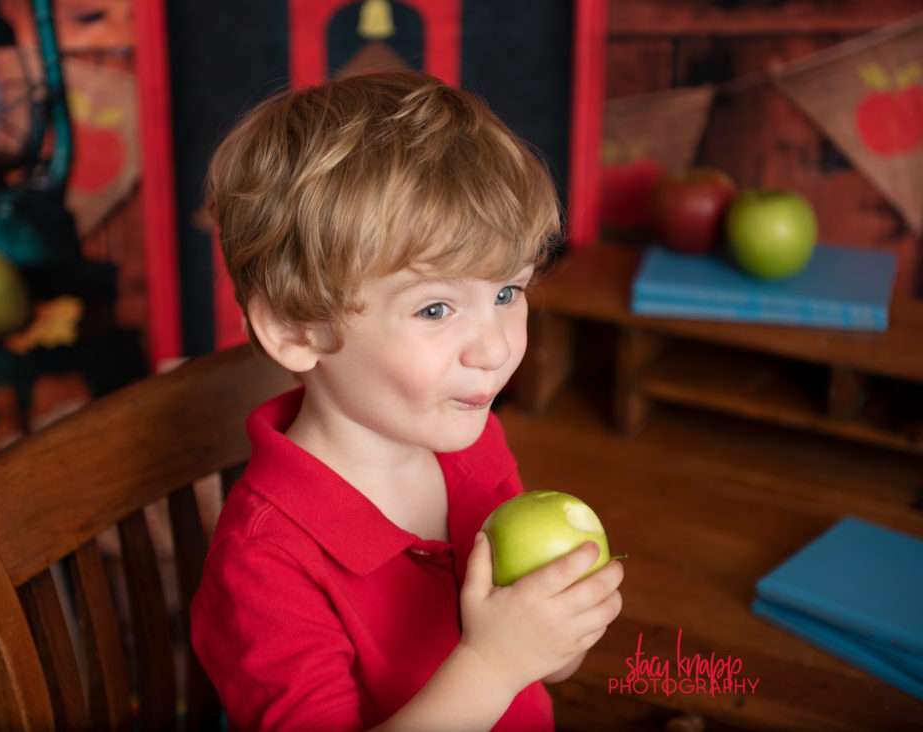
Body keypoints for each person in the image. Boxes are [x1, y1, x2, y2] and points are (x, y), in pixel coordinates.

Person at [191, 70, 625, 732]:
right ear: (297, 330)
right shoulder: (264, 565)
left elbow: (539, 666)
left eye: (507, 292)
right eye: (436, 308)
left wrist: (556, 630)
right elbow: (502, 666)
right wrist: (494, 665)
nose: (494, 348)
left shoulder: (468, 437)